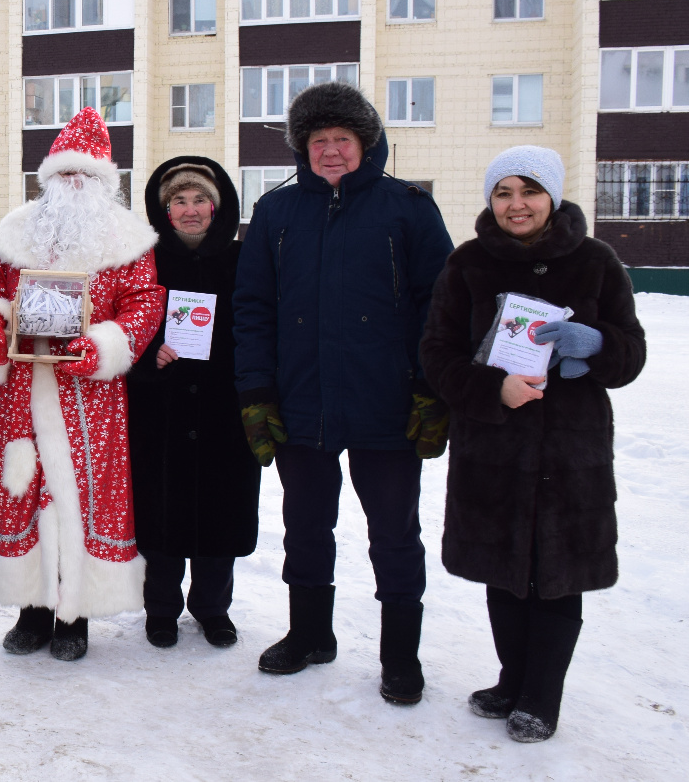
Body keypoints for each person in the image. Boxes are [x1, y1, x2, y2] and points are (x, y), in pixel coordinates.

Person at [233, 81, 454, 705]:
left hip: (387, 403)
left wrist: (430, 389)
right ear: (303, 148)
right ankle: (309, 636)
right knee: (304, 526)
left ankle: (400, 657)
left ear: (367, 143)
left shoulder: (408, 209)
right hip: (301, 402)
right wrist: (256, 391)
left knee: (394, 533)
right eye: (319, 140)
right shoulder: (276, 213)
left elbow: (438, 305)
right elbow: (252, 308)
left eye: (344, 139)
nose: (331, 151)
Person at [420, 146, 645, 742]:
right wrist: (494, 389)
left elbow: (632, 352)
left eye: (529, 192)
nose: (516, 205)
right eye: (503, 193)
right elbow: (437, 355)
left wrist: (594, 343)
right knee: (503, 571)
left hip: (571, 452)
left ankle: (541, 697)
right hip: (493, 448)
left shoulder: (597, 261)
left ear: (553, 196)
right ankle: (511, 679)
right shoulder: (467, 264)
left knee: (558, 573)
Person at [0, 107, 165, 661]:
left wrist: (102, 346)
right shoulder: (14, 233)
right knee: (21, 489)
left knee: (83, 495)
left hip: (90, 396)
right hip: (20, 393)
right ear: (48, 180)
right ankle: (31, 610)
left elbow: (144, 304)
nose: (74, 185)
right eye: (64, 176)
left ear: (104, 183)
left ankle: (73, 617)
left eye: (86, 177)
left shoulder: (127, 241)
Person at [126, 157, 259, 650]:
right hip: (159, 407)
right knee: (160, 512)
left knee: (219, 511)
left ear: (218, 204)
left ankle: (212, 608)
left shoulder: (246, 258)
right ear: (163, 210)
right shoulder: (143, 261)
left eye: (200, 199)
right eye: (178, 200)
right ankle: (159, 609)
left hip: (226, 407)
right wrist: (144, 352)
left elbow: (261, 323)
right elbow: (121, 321)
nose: (190, 210)